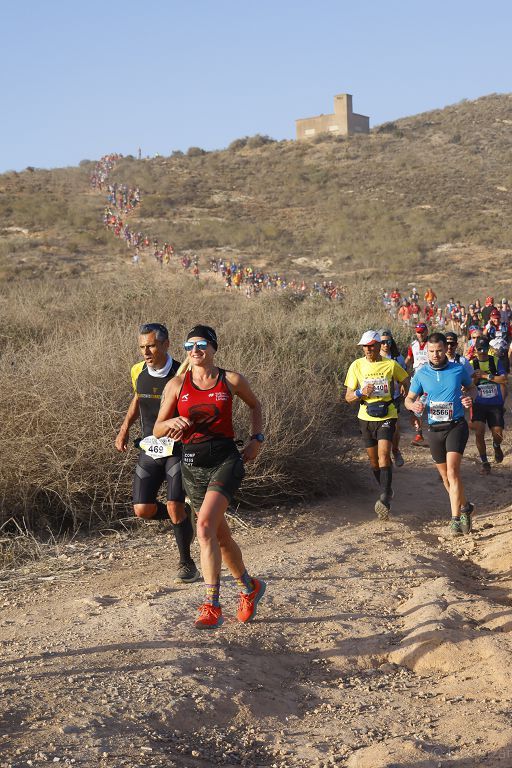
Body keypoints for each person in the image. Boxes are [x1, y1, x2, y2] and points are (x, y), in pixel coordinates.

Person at [154, 325, 265, 629]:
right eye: (189, 346)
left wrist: (257, 438)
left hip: (226, 460)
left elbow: (255, 405)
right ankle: (249, 587)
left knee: (203, 527)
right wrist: (173, 421)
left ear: (214, 347)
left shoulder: (231, 380)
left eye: (202, 344)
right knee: (219, 535)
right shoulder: (177, 385)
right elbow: (157, 429)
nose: (195, 350)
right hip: (191, 464)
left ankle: (211, 604)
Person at [115, 323, 199, 584]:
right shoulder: (137, 371)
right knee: (142, 509)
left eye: (151, 345)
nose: (146, 352)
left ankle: (187, 564)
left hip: (179, 448)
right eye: (142, 347)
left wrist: (186, 426)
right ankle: (183, 519)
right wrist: (124, 428)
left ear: (165, 344)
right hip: (151, 445)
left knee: (174, 504)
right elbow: (138, 397)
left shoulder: (184, 373)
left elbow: (200, 407)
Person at [405, 332, 477, 536]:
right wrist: (414, 405)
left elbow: (472, 388)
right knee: (445, 478)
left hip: (456, 426)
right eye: (431, 351)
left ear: (446, 349)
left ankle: (455, 520)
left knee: (453, 472)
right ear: (426, 351)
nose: (435, 355)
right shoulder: (421, 374)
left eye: (439, 351)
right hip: (434, 429)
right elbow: (408, 400)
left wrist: (469, 398)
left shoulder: (457, 369)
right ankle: (465, 507)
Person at [344, 331, 409, 520]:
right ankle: (387, 490)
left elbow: (405, 378)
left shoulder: (390, 364)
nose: (368, 349)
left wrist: (405, 385)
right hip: (365, 416)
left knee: (383, 456)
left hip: (387, 415)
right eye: (365, 346)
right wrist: (359, 392)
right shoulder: (356, 365)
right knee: (373, 462)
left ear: (379, 345)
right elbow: (348, 398)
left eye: (371, 345)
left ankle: (384, 499)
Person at [469, 337, 508, 474]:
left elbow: (504, 379)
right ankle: (485, 462)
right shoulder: (471, 364)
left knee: (498, 434)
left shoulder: (495, 361)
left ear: (489, 349)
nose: (482, 352)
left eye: (485, 348)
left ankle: (496, 446)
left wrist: (486, 376)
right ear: (475, 350)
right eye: (479, 349)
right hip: (478, 403)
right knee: (479, 432)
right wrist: (474, 379)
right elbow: (467, 385)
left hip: (494, 403)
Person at [379, 329, 406, 467]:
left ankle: (395, 451)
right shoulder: (374, 357)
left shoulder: (397, 358)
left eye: (388, 341)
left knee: (394, 427)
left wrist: (402, 385)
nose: (385, 344)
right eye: (382, 341)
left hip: (393, 397)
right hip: (377, 399)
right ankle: (384, 455)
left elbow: (405, 374)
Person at [405, 323, 429, 446]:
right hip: (417, 379)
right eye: (418, 332)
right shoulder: (413, 345)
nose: (421, 334)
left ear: (427, 331)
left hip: (430, 379)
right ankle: (419, 433)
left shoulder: (432, 344)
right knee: (417, 407)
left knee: (431, 404)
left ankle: (435, 431)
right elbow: (409, 358)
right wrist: (403, 368)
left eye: (423, 331)